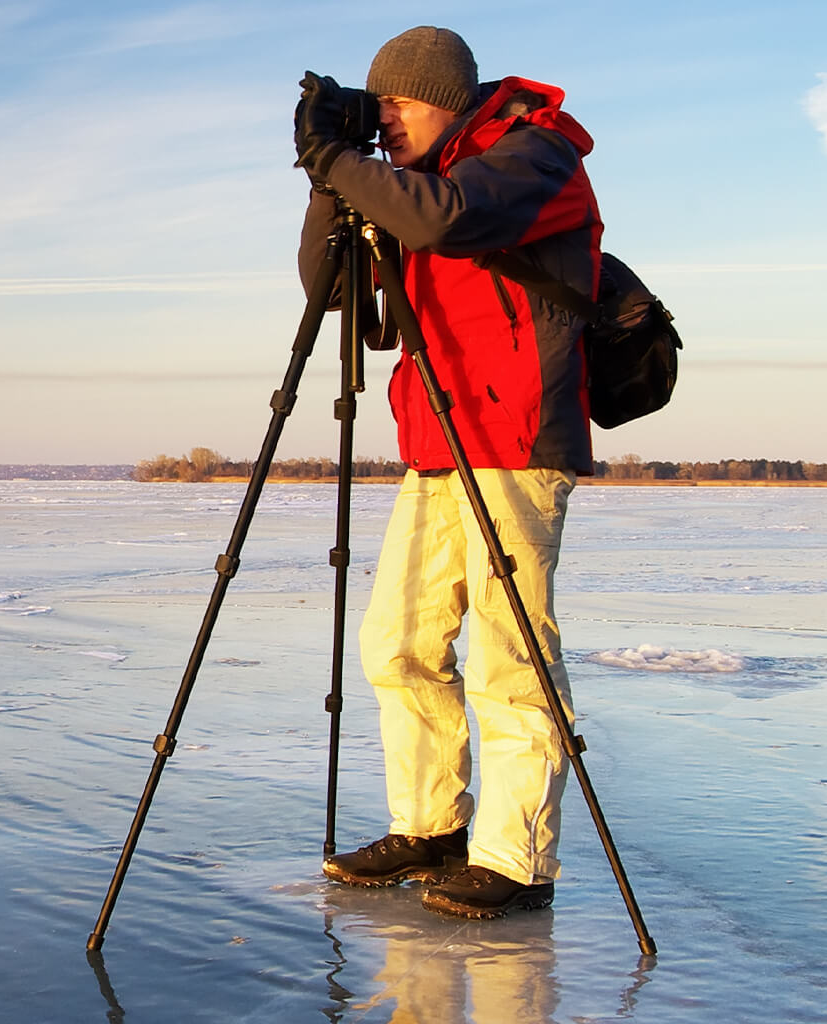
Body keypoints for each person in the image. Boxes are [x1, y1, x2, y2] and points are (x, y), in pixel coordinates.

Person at [294, 26, 603, 919]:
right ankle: (432, 826)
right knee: (398, 643)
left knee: (512, 656)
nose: (383, 120)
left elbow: (448, 219)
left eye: (397, 105)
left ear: (448, 99)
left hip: (515, 443)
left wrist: (348, 164)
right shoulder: (402, 184)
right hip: (434, 441)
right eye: (375, 105)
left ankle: (517, 858)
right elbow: (329, 289)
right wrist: (330, 172)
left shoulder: (533, 154)